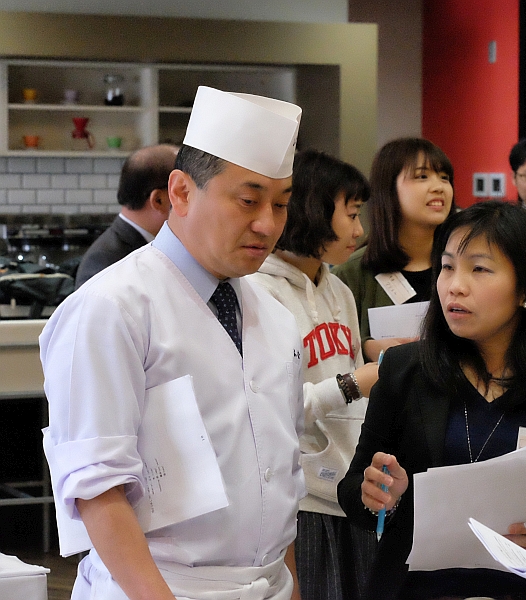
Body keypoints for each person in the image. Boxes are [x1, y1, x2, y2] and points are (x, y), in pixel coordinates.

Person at [41, 86, 305, 600]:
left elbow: (280, 472)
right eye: (249, 200)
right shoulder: (112, 307)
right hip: (160, 588)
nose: (268, 224)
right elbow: (98, 487)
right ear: (180, 192)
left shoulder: (274, 316)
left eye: (281, 204)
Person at [337, 201, 526, 600]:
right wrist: (377, 495)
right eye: (447, 266)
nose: (455, 285)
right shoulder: (404, 371)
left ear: (525, 289)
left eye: (479, 269)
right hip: (416, 589)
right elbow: (354, 489)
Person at [247, 149, 379, 600]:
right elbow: (268, 410)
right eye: (351, 214)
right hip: (297, 499)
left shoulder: (339, 289)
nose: (359, 230)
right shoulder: (258, 292)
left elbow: (353, 382)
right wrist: (354, 384)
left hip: (350, 489)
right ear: (312, 211)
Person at [333, 137, 454, 362]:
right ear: (388, 189)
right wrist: (366, 347)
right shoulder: (349, 274)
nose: (439, 187)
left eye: (445, 178)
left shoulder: (460, 267)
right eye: (422, 176)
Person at [75, 144, 179, 288]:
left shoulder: (155, 246)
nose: (191, 201)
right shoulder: (105, 262)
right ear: (158, 200)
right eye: (183, 191)